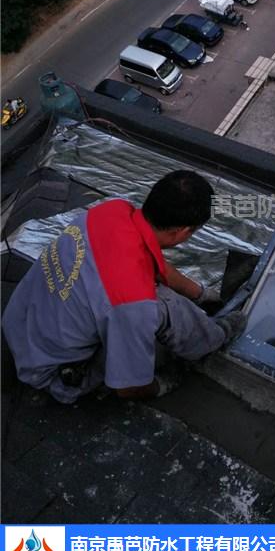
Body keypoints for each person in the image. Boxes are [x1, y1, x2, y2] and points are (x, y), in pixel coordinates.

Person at [2, 170, 245, 404]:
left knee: (146, 302)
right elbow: (128, 388)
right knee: (164, 306)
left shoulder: (111, 212)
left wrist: (201, 295)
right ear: (182, 231)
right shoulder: (132, 301)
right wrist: (161, 385)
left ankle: (206, 329)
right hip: (51, 372)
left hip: (18, 323)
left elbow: (155, 264)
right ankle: (214, 337)